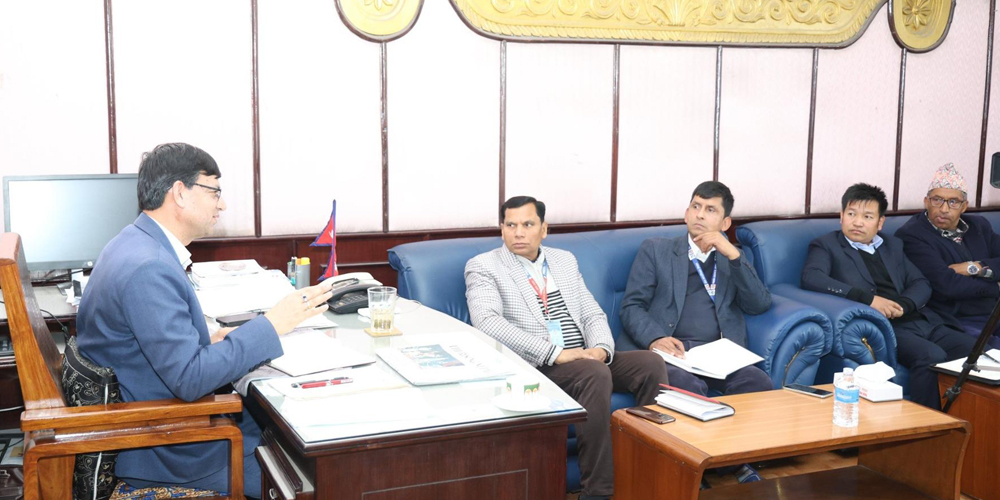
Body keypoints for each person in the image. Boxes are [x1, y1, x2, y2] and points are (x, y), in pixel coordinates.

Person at [77, 143, 333, 498]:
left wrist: (213, 338)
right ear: (180, 193)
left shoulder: (133, 242)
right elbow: (189, 378)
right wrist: (273, 324)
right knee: (319, 478)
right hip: (172, 448)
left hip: (166, 425)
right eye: (214, 191)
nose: (221, 205)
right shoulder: (148, 267)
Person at [465, 196, 668, 500]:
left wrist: (601, 348)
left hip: (583, 356)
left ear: (544, 229)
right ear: (502, 229)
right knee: (594, 374)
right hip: (536, 365)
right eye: (510, 225)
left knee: (650, 364)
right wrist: (555, 354)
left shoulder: (563, 260)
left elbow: (591, 313)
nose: (518, 232)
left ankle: (649, 474)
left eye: (527, 224)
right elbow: (487, 323)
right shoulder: (484, 266)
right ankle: (597, 492)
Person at [619, 181, 771, 485]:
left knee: (758, 383)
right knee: (688, 388)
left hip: (719, 354)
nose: (700, 214)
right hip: (674, 354)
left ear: (725, 223)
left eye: (710, 210)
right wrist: (655, 338)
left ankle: (730, 461)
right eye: (696, 206)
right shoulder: (657, 250)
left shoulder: (733, 257)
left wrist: (733, 256)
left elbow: (759, 304)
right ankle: (693, 468)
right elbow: (631, 306)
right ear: (687, 212)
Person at [801, 183, 975, 410]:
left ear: (880, 222)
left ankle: (969, 419)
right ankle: (927, 425)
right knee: (931, 356)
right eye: (851, 214)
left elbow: (920, 282)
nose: (858, 222)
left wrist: (904, 305)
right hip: (885, 328)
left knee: (975, 351)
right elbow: (812, 277)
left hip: (921, 320)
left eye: (867, 216)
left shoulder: (892, 245)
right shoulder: (827, 245)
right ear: (841, 216)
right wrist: (869, 300)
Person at [895, 163, 1000, 346]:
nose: (944, 209)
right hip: (956, 319)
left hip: (994, 309)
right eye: (937, 200)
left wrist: (974, 267)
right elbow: (946, 284)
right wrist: (996, 287)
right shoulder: (912, 235)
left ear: (964, 206)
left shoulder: (979, 226)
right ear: (926, 202)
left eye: (953, 202)